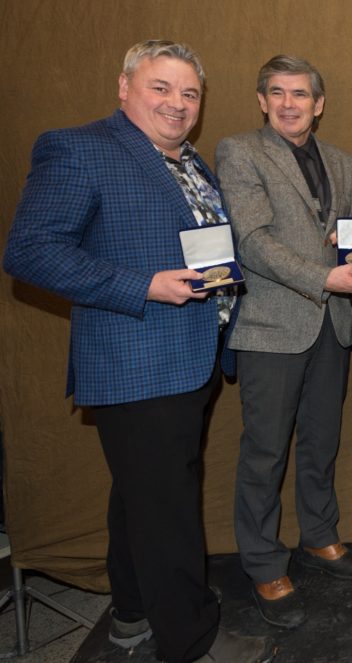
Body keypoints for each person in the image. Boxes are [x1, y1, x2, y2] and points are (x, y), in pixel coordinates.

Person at [3, 40, 272, 662]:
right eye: (161, 87)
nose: (177, 103)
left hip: (190, 357)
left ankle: (130, 614)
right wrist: (143, 285)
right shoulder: (78, 148)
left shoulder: (188, 163)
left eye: (189, 93)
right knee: (168, 508)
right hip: (137, 360)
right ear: (124, 86)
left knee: (139, 497)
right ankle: (192, 640)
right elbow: (30, 251)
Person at [216, 55, 352, 628]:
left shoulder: (342, 161)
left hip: (332, 324)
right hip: (272, 328)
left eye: (301, 94)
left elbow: (351, 226)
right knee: (265, 452)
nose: (290, 103)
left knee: (321, 440)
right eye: (278, 93)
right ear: (262, 100)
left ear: (320, 103)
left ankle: (319, 535)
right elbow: (253, 240)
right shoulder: (239, 152)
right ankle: (263, 562)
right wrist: (323, 276)